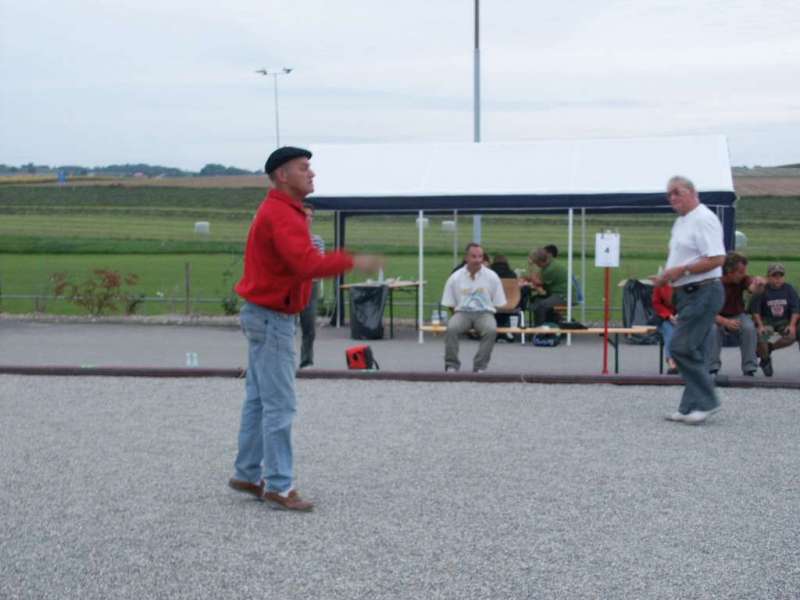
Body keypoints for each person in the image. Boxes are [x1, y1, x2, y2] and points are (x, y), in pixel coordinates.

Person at [229, 146, 381, 511]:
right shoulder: (282, 214)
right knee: (280, 405)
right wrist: (352, 260)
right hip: (273, 318)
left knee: (258, 400)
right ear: (283, 176)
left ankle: (248, 473)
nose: (311, 174)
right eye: (303, 168)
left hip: (263, 314)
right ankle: (280, 485)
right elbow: (305, 264)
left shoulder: (282, 211)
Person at [650, 175, 725, 425]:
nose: (672, 197)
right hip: (686, 292)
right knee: (697, 351)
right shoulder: (682, 222)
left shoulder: (704, 219)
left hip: (703, 291)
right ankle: (689, 407)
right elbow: (684, 259)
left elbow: (717, 259)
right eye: (669, 194)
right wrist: (665, 278)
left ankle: (708, 401)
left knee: (680, 347)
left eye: (677, 192)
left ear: (693, 193)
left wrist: (680, 271)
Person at [441, 243, 507, 372]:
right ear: (466, 257)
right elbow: (450, 303)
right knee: (451, 328)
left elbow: (498, 302)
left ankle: (480, 367)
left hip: (485, 313)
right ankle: (451, 365)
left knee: (491, 330)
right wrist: (457, 313)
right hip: (462, 313)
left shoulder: (492, 277)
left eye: (480, 256)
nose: (478, 260)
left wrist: (489, 313)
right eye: (474, 256)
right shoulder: (455, 277)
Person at [708, 251, 764, 376]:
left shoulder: (743, 279)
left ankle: (749, 368)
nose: (744, 274)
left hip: (737, 314)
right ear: (729, 271)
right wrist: (724, 321)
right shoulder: (712, 282)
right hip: (714, 316)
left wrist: (759, 285)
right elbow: (705, 311)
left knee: (749, 328)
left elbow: (753, 288)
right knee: (712, 330)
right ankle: (712, 367)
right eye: (740, 272)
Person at [752, 263, 800, 377]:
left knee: (791, 336)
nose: (778, 279)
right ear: (768, 277)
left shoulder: (789, 289)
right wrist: (760, 326)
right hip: (767, 321)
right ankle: (765, 360)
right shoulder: (762, 290)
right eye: (774, 276)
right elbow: (755, 311)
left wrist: (792, 325)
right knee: (762, 336)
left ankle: (769, 348)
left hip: (784, 321)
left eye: (780, 276)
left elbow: (795, 310)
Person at [298, 203, 325, 368]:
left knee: (309, 326)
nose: (308, 219)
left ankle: (306, 360)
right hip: (293, 285)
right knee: (287, 326)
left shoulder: (317, 240)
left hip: (310, 285)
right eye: (305, 215)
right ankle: (284, 361)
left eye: (311, 216)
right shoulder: (289, 237)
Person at [526, 247, 570, 325]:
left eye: (536, 263)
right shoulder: (549, 264)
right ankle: (545, 326)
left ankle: (539, 331)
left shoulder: (550, 269)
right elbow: (537, 277)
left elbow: (537, 282)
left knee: (541, 306)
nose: (536, 265)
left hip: (564, 296)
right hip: (558, 294)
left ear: (539, 262)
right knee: (536, 300)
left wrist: (530, 267)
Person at [489, 254, 522, 341]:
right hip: (511, 304)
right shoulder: (512, 274)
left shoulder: (489, 274)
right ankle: (507, 330)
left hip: (493, 304)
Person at [652, 281, 679, 374]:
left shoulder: (686, 282)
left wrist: (680, 315)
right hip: (664, 318)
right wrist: (669, 316)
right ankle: (672, 361)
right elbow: (656, 304)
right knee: (670, 332)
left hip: (684, 316)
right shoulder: (660, 285)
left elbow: (691, 301)